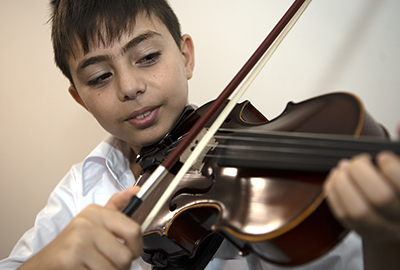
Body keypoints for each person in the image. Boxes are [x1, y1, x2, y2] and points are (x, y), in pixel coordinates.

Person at [0, 0, 399, 269]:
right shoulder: (78, 192)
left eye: (148, 57)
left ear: (185, 56)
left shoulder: (265, 178)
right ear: (80, 99)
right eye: (100, 77)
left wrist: (387, 241)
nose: (129, 86)